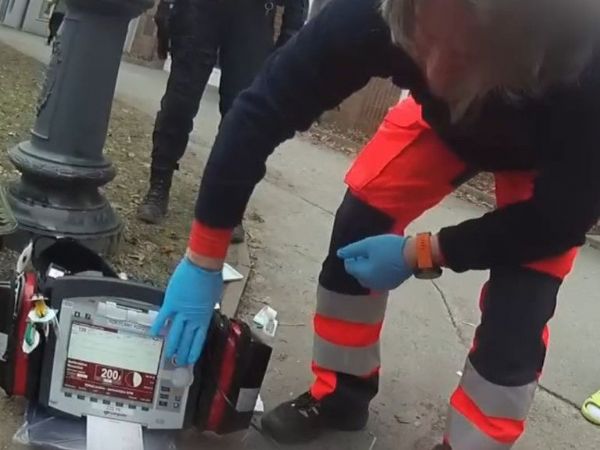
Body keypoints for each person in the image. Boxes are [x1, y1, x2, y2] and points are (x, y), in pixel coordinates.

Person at [149, 0, 600, 448]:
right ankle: (341, 396)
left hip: (551, 160)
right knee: (361, 221)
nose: (436, 74)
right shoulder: (372, 13)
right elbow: (262, 109)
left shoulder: (586, 61)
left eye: (464, 55)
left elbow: (556, 222)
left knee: (520, 306)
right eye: (423, 42)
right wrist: (203, 259)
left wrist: (423, 252)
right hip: (442, 127)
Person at [137, 0, 308, 244]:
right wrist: (166, 6)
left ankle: (228, 204)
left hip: (253, 16)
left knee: (244, 118)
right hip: (199, 10)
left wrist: (290, 35)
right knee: (179, 103)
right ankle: (158, 187)